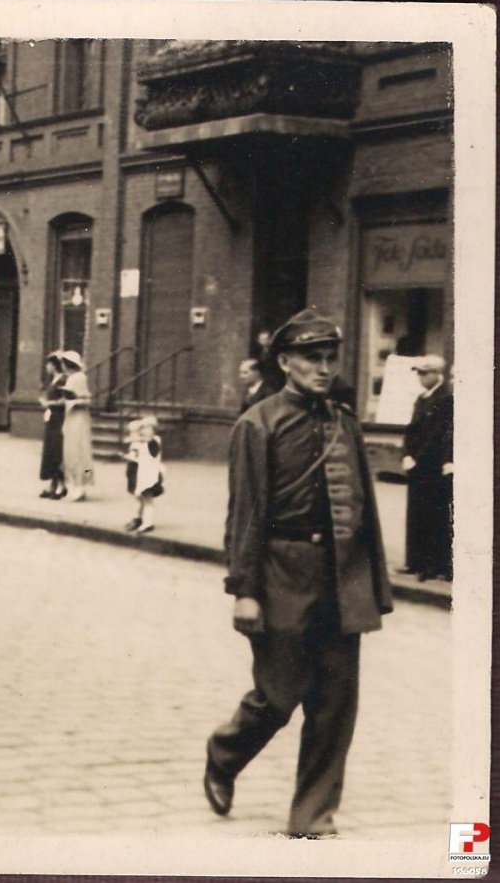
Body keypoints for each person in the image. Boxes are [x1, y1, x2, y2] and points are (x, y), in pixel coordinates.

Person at [204, 308, 393, 838]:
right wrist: (243, 590)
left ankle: (312, 817)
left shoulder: (344, 422)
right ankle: (225, 753)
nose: (324, 367)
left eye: (330, 357)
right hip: (281, 573)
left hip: (341, 580)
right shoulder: (257, 424)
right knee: (277, 695)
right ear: (285, 361)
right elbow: (245, 512)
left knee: (335, 704)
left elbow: (364, 512)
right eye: (313, 357)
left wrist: (372, 586)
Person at [401, 355, 453, 582]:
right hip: (416, 465)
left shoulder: (445, 399)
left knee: (432, 515)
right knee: (415, 513)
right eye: (419, 373)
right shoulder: (422, 399)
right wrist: (405, 454)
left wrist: (418, 458)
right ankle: (414, 561)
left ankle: (431, 564)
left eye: (424, 373)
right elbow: (411, 430)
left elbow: (437, 435)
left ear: (436, 374)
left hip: (431, 466)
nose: (420, 377)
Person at [57, 350, 94, 502]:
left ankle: (80, 486)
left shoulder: (79, 378)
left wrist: (72, 401)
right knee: (70, 451)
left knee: (79, 450)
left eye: (64, 363)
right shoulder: (72, 378)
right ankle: (73, 485)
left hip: (78, 418)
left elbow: (86, 399)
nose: (63, 367)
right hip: (71, 417)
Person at [123, 416, 164, 535]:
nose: (144, 431)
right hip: (142, 475)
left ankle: (148, 523)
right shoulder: (143, 442)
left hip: (150, 476)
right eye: (143, 428)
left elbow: (149, 448)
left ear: (154, 430)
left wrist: (137, 437)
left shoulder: (154, 441)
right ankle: (139, 518)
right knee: (140, 498)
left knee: (148, 499)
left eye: (147, 428)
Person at [38, 353, 67, 499]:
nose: (46, 367)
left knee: (56, 450)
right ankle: (54, 485)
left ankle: (59, 486)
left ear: (55, 365)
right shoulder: (54, 380)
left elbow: (65, 400)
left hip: (59, 419)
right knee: (51, 451)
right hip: (52, 418)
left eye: (49, 364)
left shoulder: (62, 380)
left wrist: (48, 403)